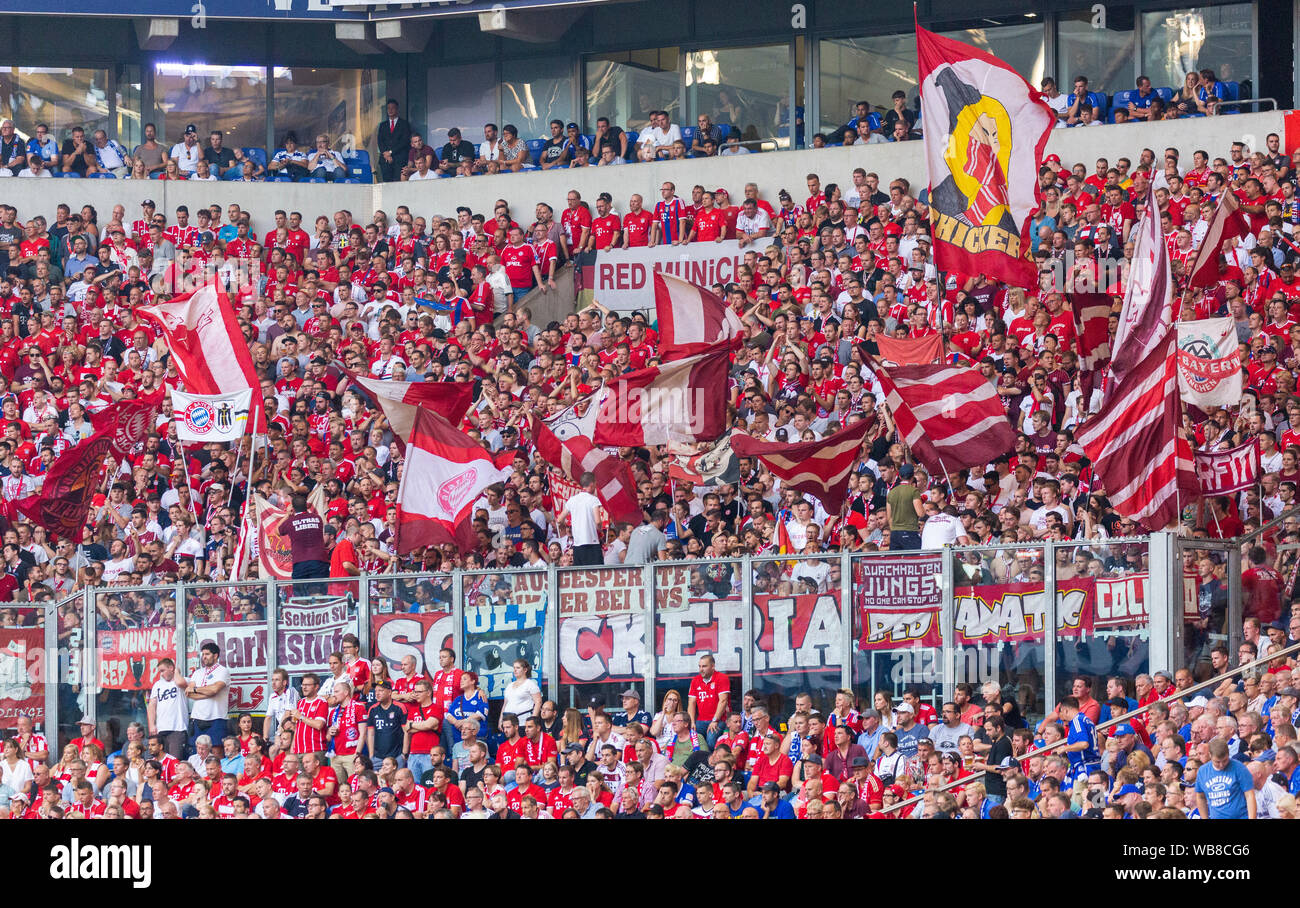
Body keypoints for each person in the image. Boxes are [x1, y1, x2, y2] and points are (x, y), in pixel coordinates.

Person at [1195, 739, 1258, 819]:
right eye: (1217, 762)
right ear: (1210, 755)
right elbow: (1200, 797)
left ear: (1228, 754)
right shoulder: (1202, 771)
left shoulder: (1239, 768)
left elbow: (1250, 795)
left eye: (1224, 761)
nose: (1221, 765)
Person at [186, 642, 230, 750]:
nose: (204, 657)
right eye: (203, 654)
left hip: (217, 717)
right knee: (198, 751)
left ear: (215, 656)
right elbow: (189, 693)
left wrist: (196, 689)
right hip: (197, 717)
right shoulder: (197, 673)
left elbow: (215, 689)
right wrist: (208, 692)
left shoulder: (223, 671)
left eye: (207, 654)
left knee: (216, 750)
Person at [558, 472, 605, 565]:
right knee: (597, 574)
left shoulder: (572, 500)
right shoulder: (593, 499)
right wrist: (600, 529)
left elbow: (559, 519)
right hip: (592, 544)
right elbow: (598, 521)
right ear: (592, 484)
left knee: (580, 575)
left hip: (577, 546)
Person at [147, 656, 189, 758]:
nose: (161, 674)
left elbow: (181, 683)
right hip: (161, 728)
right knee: (161, 760)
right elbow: (152, 706)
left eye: (163, 670)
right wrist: (152, 725)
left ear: (171, 668)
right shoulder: (157, 685)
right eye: (160, 672)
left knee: (175, 759)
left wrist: (177, 672)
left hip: (177, 728)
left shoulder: (182, 680)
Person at [285, 493, 328, 580]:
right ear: (307, 506)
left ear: (293, 508)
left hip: (300, 562)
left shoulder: (291, 521)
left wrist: (287, 515)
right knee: (319, 591)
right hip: (319, 561)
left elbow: (277, 531)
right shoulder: (318, 518)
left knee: (301, 593)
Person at [376, 99, 412, 183]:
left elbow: (404, 141)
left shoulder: (404, 124)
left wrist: (391, 152)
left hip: (399, 158)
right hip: (385, 159)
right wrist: (386, 154)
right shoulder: (383, 125)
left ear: (397, 109)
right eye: (388, 108)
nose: (390, 110)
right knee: (386, 183)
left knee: (397, 183)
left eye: (392, 108)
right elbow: (380, 141)